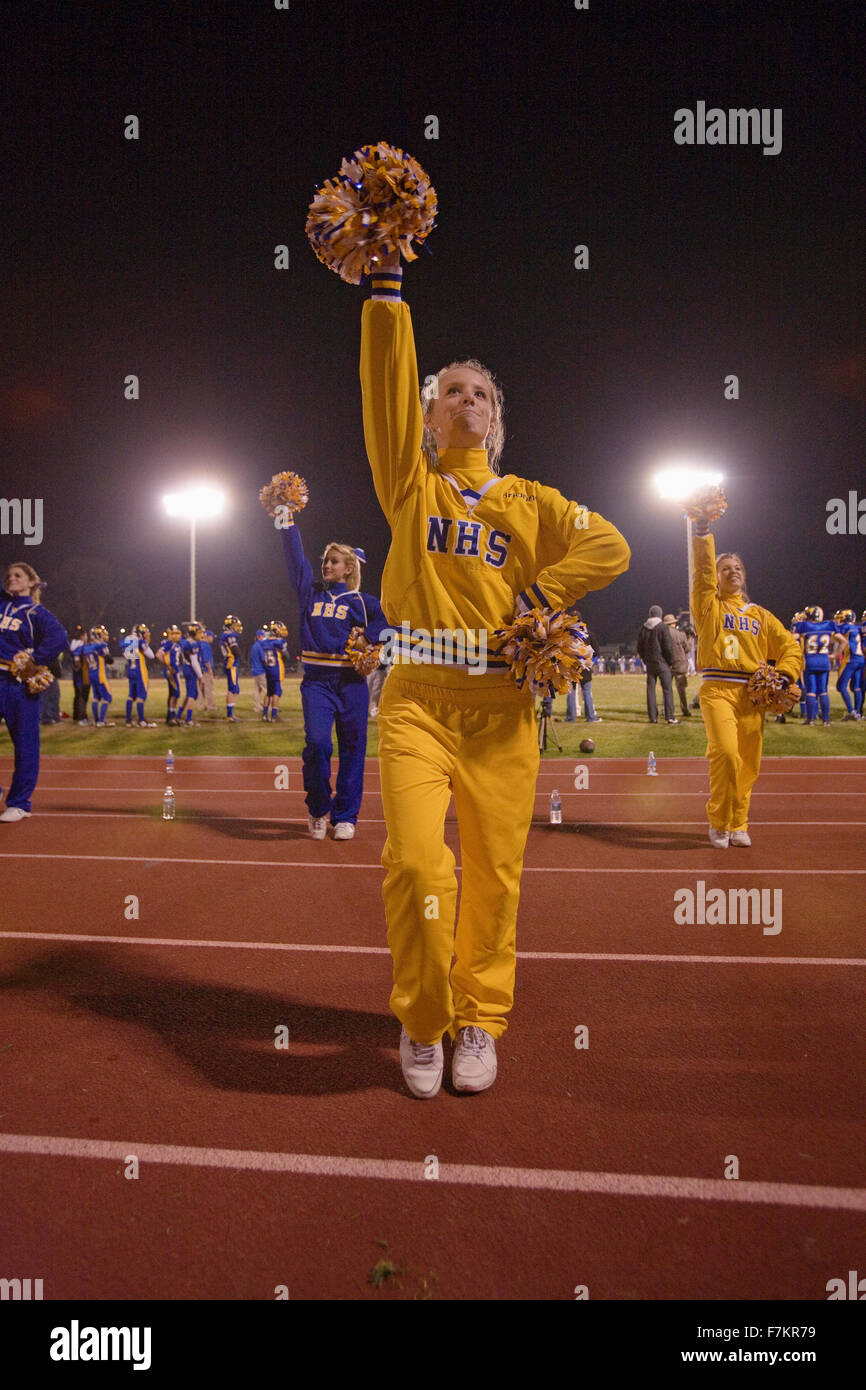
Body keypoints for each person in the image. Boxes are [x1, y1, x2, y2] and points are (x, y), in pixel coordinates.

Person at [360, 253, 630, 1098]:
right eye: (449, 392)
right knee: (415, 868)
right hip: (417, 703)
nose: (464, 401)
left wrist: (540, 594)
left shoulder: (531, 502)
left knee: (495, 875)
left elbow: (612, 544)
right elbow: (383, 385)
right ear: (429, 418)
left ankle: (479, 1017)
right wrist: (385, 292)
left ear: (497, 418)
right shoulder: (411, 484)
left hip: (506, 709)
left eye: (479, 393)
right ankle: (423, 1014)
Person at [691, 522, 800, 848]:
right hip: (717, 690)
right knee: (725, 753)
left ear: (744, 575)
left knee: (748, 763)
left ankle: (738, 822)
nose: (732, 571)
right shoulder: (708, 607)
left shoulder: (761, 616)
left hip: (752, 695)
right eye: (725, 568)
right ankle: (718, 821)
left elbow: (790, 648)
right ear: (717, 575)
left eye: (737, 567)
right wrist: (702, 532)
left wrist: (784, 674)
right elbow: (702, 573)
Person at [278, 519, 387, 838]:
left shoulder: (363, 603)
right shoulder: (309, 594)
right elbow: (295, 560)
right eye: (325, 560)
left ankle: (346, 816)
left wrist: (371, 638)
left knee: (353, 749)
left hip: (352, 684)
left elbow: (390, 622)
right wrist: (287, 522)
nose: (326, 565)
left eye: (334, 561)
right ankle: (317, 808)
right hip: (317, 684)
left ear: (349, 568)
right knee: (318, 743)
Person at [0, 561, 68, 820]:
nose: (11, 579)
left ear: (31, 582)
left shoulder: (36, 613)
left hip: (19, 686)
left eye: (18, 575)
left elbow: (58, 638)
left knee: (25, 745)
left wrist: (35, 660)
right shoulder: (2, 604)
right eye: (8, 576)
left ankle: (19, 803)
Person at [794, 606, 836, 725]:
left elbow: (792, 638)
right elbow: (842, 641)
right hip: (824, 661)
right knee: (823, 691)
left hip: (810, 661)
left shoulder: (804, 626)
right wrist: (834, 654)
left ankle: (811, 719)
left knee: (811, 691)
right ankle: (826, 720)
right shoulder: (828, 626)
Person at [637, 604, 678, 724]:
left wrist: (645, 659)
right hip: (662, 662)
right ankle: (670, 716)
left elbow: (640, 647)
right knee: (667, 690)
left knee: (650, 689)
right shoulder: (662, 627)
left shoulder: (643, 628)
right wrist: (670, 661)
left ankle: (653, 717)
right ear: (660, 614)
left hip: (650, 663)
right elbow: (667, 646)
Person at [120, 624, 157, 727]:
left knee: (131, 695)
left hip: (130, 670)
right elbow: (151, 655)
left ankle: (128, 720)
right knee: (141, 696)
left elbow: (125, 653)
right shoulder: (140, 642)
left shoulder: (127, 641)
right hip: (139, 671)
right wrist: (146, 643)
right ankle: (141, 720)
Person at [832, 609, 864, 720]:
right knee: (857, 687)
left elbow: (833, 636)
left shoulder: (845, 627)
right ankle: (858, 713)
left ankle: (851, 712)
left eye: (840, 617)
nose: (838, 620)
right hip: (861, 659)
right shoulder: (858, 627)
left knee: (841, 686)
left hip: (851, 660)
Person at [81, 625, 114, 727]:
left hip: (91, 674)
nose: (104, 635)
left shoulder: (87, 646)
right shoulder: (101, 645)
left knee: (96, 697)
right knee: (107, 697)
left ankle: (96, 720)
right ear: (97, 635)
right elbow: (109, 660)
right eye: (102, 633)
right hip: (100, 674)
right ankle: (101, 721)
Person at [664, 612, 692, 717]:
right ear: (673, 623)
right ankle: (685, 710)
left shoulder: (663, 635)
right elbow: (687, 649)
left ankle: (665, 710)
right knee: (681, 690)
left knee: (667, 689)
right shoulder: (680, 634)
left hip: (667, 664)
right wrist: (690, 639)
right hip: (679, 664)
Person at [260, 620, 288, 722]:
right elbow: (286, 656)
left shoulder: (265, 642)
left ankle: (264, 715)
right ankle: (274, 717)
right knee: (276, 693)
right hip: (277, 670)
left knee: (268, 693)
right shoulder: (279, 642)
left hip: (268, 670)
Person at [220, 615, 243, 721]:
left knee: (234, 689)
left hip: (230, 663)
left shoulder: (225, 634)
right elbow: (234, 648)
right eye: (235, 625)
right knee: (232, 689)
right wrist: (242, 658)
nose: (237, 627)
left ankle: (231, 714)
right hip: (231, 663)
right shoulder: (230, 635)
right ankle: (229, 715)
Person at [250, 627, 268, 714]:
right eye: (263, 636)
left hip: (254, 670)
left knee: (257, 690)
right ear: (259, 636)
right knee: (267, 690)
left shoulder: (254, 646)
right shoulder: (259, 646)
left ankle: (257, 707)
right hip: (261, 671)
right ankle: (270, 706)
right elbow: (263, 659)